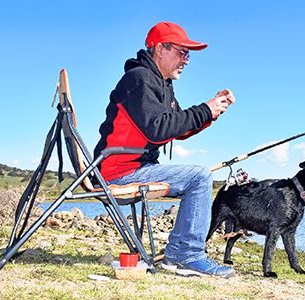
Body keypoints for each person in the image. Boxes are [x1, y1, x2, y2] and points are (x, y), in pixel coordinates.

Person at [94, 21, 235, 277]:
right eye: (182, 52)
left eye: (188, 54)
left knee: (197, 177)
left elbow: (176, 128)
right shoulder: (139, 79)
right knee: (200, 177)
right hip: (118, 173)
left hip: (132, 168)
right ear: (160, 49)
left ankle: (181, 252)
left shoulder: (161, 83)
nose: (187, 60)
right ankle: (185, 255)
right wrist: (206, 108)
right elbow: (158, 128)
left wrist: (212, 113)